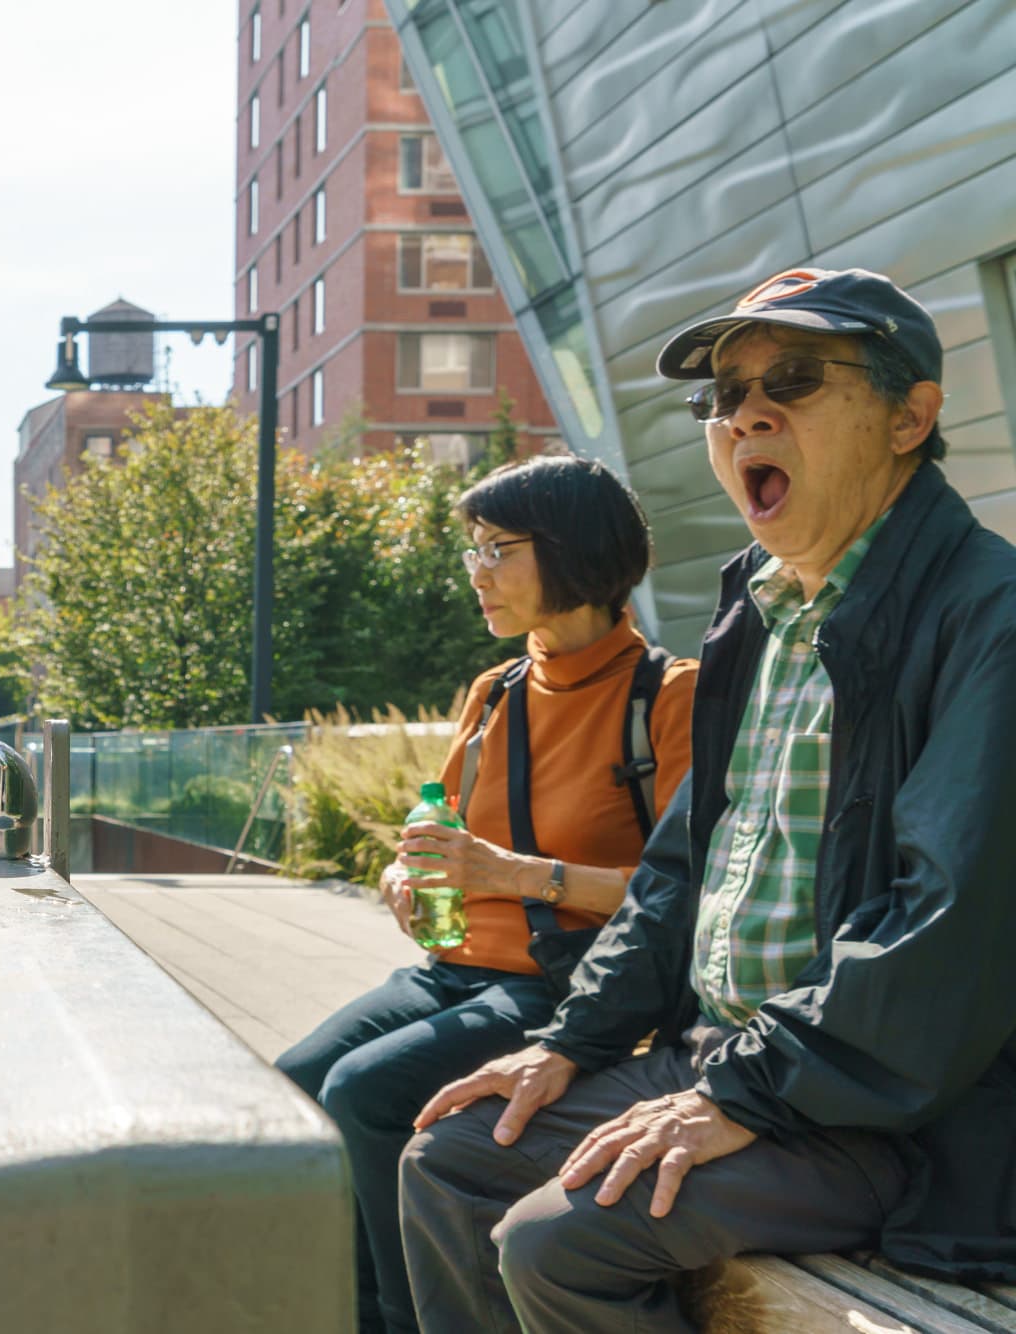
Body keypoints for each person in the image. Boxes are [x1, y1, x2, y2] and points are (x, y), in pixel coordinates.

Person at [397, 267, 1016, 1331]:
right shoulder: (756, 611)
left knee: (555, 1241)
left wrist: (740, 1095)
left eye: (795, 378)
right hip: (731, 1061)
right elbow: (676, 869)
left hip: (885, 1113)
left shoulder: (986, 615)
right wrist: (571, 1042)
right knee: (449, 1157)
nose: (744, 414)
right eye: (723, 395)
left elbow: (941, 925)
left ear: (910, 415)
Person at [273, 454, 697, 1334]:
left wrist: (511, 875)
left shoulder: (672, 697)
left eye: (498, 547)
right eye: (471, 549)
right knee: (292, 1086)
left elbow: (685, 895)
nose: (478, 571)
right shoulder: (494, 689)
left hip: (568, 984)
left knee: (365, 1091)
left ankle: (401, 1320)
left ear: (574, 551)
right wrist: (403, 872)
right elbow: (441, 823)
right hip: (451, 969)